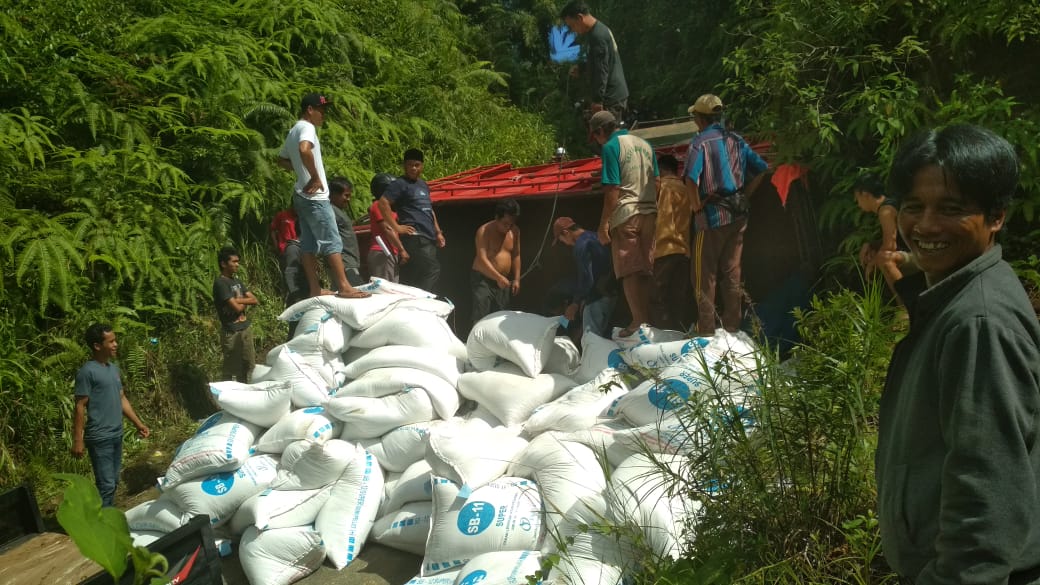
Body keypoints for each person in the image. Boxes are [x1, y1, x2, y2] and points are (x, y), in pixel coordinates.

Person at [875, 124, 1040, 584]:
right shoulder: (957, 298)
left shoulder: (977, 324)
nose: (925, 226)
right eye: (913, 207)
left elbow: (984, 498)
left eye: (951, 209)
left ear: (996, 216)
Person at [684, 93, 768, 335]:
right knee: (732, 270)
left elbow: (691, 178)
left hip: (711, 218)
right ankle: (732, 326)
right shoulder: (736, 140)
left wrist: (696, 206)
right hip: (739, 214)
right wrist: (745, 195)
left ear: (699, 118)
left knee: (703, 273)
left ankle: (706, 329)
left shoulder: (699, 143)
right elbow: (761, 169)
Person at [276, 92, 369, 299]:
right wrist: (316, 177)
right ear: (310, 110)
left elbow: (281, 160)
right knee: (332, 241)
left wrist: (301, 171)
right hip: (316, 198)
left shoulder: (293, 130)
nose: (323, 115)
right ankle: (345, 286)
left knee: (308, 245)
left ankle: (315, 288)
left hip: (300, 195)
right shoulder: (307, 127)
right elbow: (304, 149)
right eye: (321, 110)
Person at [589, 110, 658, 338]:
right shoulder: (645, 144)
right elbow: (657, 182)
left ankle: (638, 321)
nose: (597, 141)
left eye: (595, 136)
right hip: (649, 211)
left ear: (600, 131)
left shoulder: (610, 147)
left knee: (629, 270)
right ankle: (648, 320)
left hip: (626, 213)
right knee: (646, 269)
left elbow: (612, 190)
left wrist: (603, 225)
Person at [72, 323, 150, 507]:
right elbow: (80, 406)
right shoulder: (87, 372)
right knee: (106, 485)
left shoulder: (113, 369)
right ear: (97, 346)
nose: (116, 344)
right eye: (111, 341)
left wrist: (138, 424)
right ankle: (102, 523)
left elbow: (122, 399)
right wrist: (77, 439)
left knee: (113, 482)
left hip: (116, 434)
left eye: (115, 340)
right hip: (100, 437)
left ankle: (103, 516)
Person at [378, 148, 446, 293]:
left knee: (421, 273)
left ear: (422, 166)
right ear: (404, 166)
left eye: (417, 165)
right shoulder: (399, 184)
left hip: (429, 237)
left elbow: (429, 210)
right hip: (414, 236)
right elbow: (383, 203)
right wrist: (397, 227)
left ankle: (419, 300)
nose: (413, 168)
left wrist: (438, 232)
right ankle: (420, 299)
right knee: (433, 269)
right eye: (410, 165)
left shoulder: (423, 185)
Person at [560, 1, 629, 123]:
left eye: (572, 26)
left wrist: (597, 101)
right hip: (611, 96)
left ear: (580, 18)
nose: (573, 30)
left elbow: (601, 70)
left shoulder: (597, 36)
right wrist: (582, 69)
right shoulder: (597, 32)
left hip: (610, 98)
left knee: (607, 138)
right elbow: (600, 62)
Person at [553, 217, 616, 339]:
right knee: (604, 337)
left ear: (566, 233)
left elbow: (587, 277)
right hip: (611, 292)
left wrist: (575, 303)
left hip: (597, 296)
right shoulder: (596, 236)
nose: (565, 244)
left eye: (562, 240)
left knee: (592, 339)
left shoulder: (581, 245)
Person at [650, 154, 693, 330]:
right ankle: (678, 334)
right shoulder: (686, 188)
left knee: (656, 298)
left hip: (663, 248)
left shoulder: (660, 186)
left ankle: (663, 336)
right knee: (678, 298)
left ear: (662, 169)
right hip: (684, 249)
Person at [471, 199, 522, 324]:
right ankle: (476, 342)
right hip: (483, 278)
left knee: (500, 316)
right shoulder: (484, 231)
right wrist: (497, 277)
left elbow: (516, 255)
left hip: (504, 280)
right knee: (481, 314)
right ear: (496, 218)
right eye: (505, 223)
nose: (508, 227)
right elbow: (482, 259)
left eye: (511, 224)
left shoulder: (514, 231)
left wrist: (516, 279)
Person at [213, 246, 258, 382]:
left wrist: (237, 299)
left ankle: (246, 395)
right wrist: (244, 301)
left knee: (249, 365)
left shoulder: (237, 281)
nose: (237, 264)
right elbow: (237, 308)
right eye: (234, 261)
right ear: (223, 264)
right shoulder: (220, 283)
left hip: (245, 328)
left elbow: (255, 299)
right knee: (231, 370)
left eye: (238, 261)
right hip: (231, 333)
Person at [852, 172, 899, 274]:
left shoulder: (885, 211)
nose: (858, 204)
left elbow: (891, 246)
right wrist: (871, 245)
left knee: (882, 260)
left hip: (916, 255)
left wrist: (872, 264)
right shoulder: (886, 206)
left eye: (857, 199)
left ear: (865, 194)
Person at [367, 172, 407, 282]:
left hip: (389, 252)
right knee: (385, 290)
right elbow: (388, 229)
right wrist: (402, 250)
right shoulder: (379, 205)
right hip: (383, 252)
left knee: (393, 289)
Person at [328, 176, 365, 287]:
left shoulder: (338, 211)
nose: (348, 199)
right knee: (357, 293)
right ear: (334, 194)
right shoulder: (331, 211)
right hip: (345, 263)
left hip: (348, 262)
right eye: (346, 195)